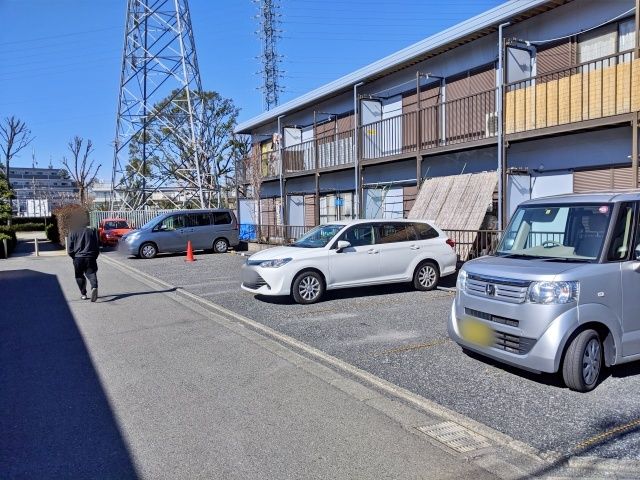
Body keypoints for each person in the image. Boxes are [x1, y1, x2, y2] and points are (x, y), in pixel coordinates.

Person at [67, 212, 100, 302]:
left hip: (78, 258)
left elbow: (69, 249)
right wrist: (95, 256)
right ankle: (94, 287)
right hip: (90, 257)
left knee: (79, 276)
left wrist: (73, 257)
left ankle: (84, 294)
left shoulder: (73, 232)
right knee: (91, 273)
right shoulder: (92, 231)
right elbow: (97, 245)